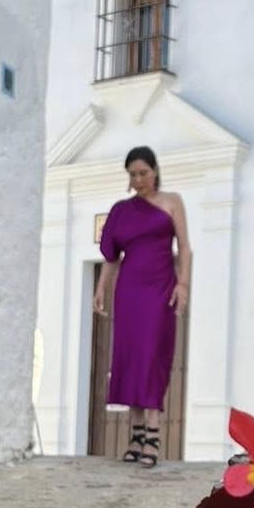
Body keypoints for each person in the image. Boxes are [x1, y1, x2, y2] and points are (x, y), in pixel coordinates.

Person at [92, 146, 192, 468]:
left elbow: (185, 248)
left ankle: (153, 435)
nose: (138, 180)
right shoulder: (121, 210)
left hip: (160, 289)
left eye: (143, 173)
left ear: (155, 171)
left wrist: (183, 284)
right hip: (129, 291)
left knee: (152, 356)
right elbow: (111, 257)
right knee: (131, 358)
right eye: (133, 174)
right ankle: (135, 437)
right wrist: (101, 289)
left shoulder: (172, 201)